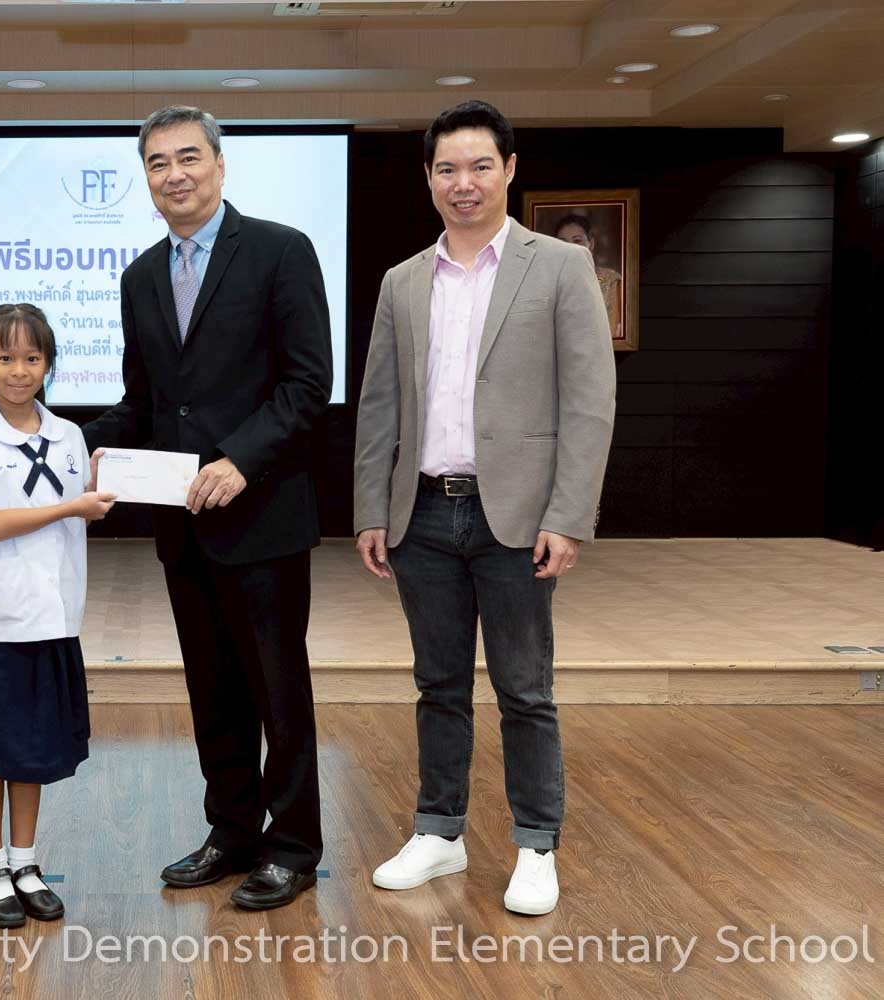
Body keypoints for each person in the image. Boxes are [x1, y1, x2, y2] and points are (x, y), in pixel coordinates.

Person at [353, 100, 616, 916]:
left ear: (509, 169)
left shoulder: (559, 267)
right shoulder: (402, 281)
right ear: (428, 178)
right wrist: (371, 507)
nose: (462, 183)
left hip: (518, 518)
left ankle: (536, 844)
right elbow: (379, 406)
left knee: (524, 690)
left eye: (478, 166)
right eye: (446, 168)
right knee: (437, 685)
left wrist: (568, 515)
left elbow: (590, 401)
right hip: (423, 515)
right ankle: (440, 831)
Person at [83, 105, 333, 911]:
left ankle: (292, 848)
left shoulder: (281, 251)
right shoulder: (140, 277)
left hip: (262, 520)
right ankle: (231, 833)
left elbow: (307, 385)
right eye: (157, 163)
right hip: (182, 527)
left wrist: (241, 461)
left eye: (188, 157)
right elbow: (146, 403)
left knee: (277, 693)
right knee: (212, 691)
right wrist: (65, 443)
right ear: (146, 178)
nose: (174, 174)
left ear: (220, 165)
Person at [0, 303, 113, 928]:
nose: (19, 370)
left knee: (31, 747)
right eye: (5, 358)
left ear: (49, 363)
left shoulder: (69, 436)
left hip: (53, 619)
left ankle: (26, 863)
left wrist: (94, 496)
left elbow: (78, 512)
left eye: (32, 358)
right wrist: (73, 507)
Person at [553, 213, 623, 341]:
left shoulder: (611, 281)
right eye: (563, 242)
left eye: (577, 240)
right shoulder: (548, 283)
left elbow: (615, 335)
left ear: (591, 244)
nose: (571, 248)